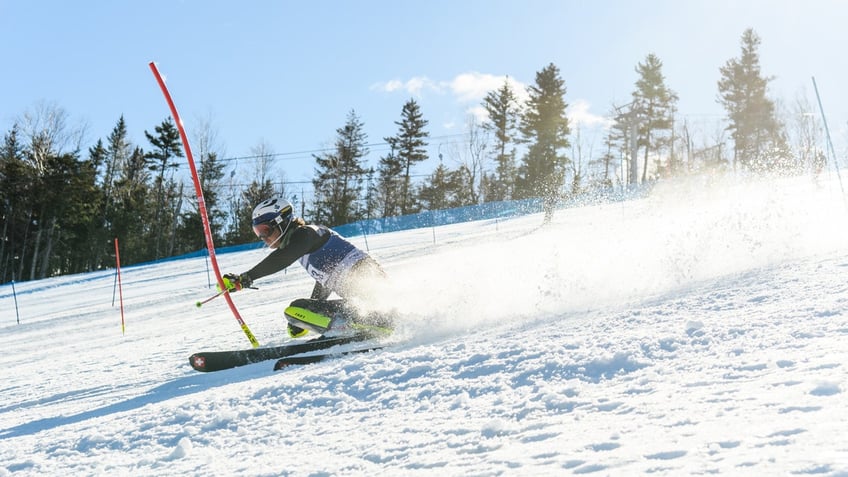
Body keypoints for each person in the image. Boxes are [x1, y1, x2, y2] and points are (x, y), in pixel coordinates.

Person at [221, 197, 392, 338]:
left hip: (370, 287)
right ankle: (366, 322)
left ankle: (371, 324)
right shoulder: (303, 247)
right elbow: (326, 281)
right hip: (360, 301)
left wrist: (246, 277)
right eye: (258, 232)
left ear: (281, 222)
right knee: (297, 311)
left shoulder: (306, 234)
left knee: (295, 308)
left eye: (265, 230)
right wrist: (309, 315)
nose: (263, 237)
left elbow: (283, 258)